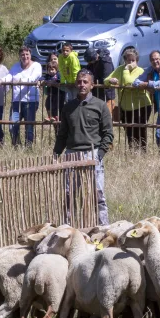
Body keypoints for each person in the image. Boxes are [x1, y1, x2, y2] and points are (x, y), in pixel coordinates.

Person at [53, 70, 113, 225]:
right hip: (72, 154)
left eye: (85, 82)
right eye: (79, 82)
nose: (82, 85)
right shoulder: (68, 107)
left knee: (97, 194)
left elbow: (108, 133)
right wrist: (56, 153)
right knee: (69, 194)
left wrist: (100, 153)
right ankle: (68, 227)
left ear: (92, 85)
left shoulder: (100, 106)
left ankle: (103, 228)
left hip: (92, 154)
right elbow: (63, 133)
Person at [106, 47, 149, 149]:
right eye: (128, 60)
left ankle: (142, 151)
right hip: (125, 106)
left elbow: (129, 82)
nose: (130, 62)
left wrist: (126, 69)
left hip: (141, 105)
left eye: (133, 60)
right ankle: (132, 151)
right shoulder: (119, 69)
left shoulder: (140, 71)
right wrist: (110, 80)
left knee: (140, 130)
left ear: (137, 61)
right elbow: (105, 80)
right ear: (124, 60)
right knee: (129, 130)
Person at [7, 46, 43, 147]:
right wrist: (2, 80)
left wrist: (20, 81)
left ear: (30, 55)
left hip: (30, 101)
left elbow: (33, 78)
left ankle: (28, 147)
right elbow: (9, 76)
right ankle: (17, 145)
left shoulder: (36, 66)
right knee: (12, 125)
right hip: (16, 101)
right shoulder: (15, 66)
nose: (25, 56)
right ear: (19, 56)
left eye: (27, 54)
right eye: (22, 54)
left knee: (29, 126)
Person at [43, 53, 64, 120]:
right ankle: (50, 116)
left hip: (59, 94)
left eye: (55, 59)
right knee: (47, 104)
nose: (53, 60)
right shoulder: (48, 74)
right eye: (51, 59)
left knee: (57, 107)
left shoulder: (60, 72)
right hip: (51, 93)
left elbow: (60, 80)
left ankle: (56, 117)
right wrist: (42, 81)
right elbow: (43, 78)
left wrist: (52, 82)